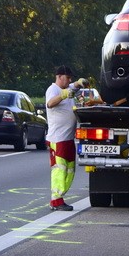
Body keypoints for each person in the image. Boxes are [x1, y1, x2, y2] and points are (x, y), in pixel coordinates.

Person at [44, 65, 87, 211]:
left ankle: (60, 196)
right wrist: (63, 95)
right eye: (68, 78)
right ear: (60, 76)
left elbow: (72, 87)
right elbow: (50, 103)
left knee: (69, 170)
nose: (70, 80)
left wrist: (79, 83)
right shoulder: (53, 89)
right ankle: (56, 201)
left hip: (67, 138)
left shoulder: (67, 89)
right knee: (59, 170)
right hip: (57, 138)